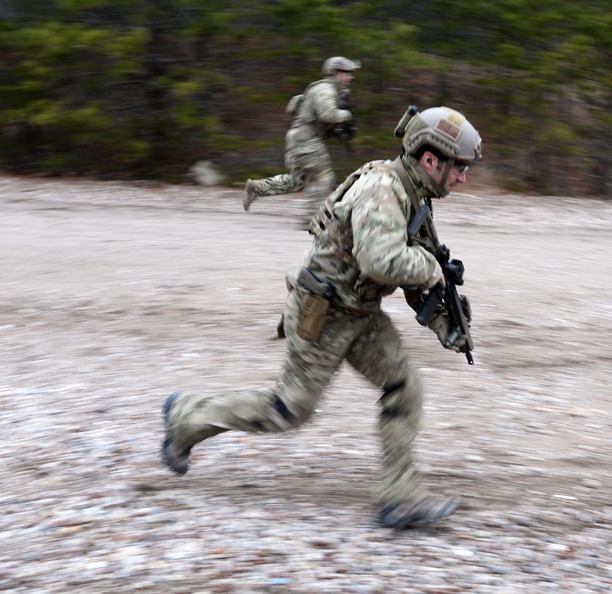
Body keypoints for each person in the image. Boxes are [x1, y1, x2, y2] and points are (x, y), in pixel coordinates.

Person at [162, 106, 483, 529]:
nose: (462, 178)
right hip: (324, 311)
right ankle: (186, 416)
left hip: (359, 311)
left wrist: (444, 322)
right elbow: (383, 261)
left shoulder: (414, 193)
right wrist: (432, 268)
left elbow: (410, 272)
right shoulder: (382, 191)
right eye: (458, 168)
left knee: (405, 387)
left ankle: (399, 498)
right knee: (288, 409)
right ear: (430, 159)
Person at [243, 56, 360, 227]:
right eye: (347, 73)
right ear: (336, 73)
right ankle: (312, 219)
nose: (351, 77)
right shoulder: (325, 90)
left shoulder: (328, 90)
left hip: (299, 139)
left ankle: (257, 187)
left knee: (297, 181)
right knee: (322, 178)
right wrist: (347, 115)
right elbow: (328, 115)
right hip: (306, 140)